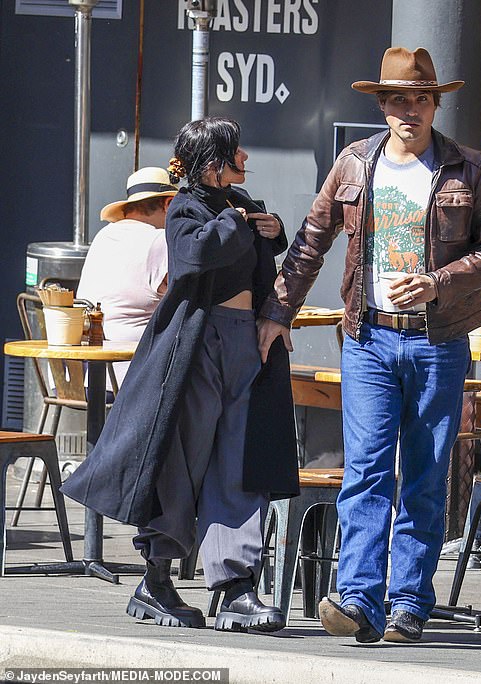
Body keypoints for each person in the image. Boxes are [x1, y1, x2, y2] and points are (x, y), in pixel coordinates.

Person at [257, 47, 481, 643]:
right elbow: (312, 239)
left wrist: (438, 282)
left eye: (421, 98)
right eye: (398, 99)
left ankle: (408, 604)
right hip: (368, 337)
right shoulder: (353, 165)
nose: (410, 110)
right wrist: (278, 313)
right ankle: (358, 599)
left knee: (424, 475)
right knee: (367, 470)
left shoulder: (470, 169)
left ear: (435, 103)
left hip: (438, 340)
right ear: (381, 104)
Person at [62, 117, 299, 633]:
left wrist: (272, 230)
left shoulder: (244, 204)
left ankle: (236, 587)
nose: (244, 158)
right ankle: (158, 579)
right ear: (212, 163)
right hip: (199, 344)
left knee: (239, 459)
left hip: (246, 342)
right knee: (183, 460)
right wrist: (240, 223)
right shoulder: (186, 207)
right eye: (233, 151)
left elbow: (257, 256)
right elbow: (193, 256)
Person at [77, 167, 177, 390]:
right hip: (129, 381)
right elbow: (188, 295)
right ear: (169, 204)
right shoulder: (159, 242)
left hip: (78, 376)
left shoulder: (103, 236)